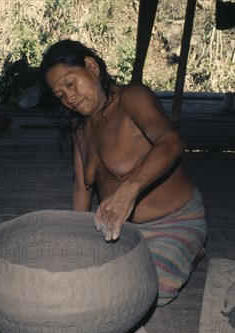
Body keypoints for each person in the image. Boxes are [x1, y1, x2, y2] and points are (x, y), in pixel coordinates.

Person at [39, 40, 207, 306]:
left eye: (70, 84)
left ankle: (190, 248)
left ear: (91, 67)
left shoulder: (133, 98)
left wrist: (129, 189)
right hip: (119, 227)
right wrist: (75, 234)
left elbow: (172, 141)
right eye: (60, 95)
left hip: (172, 221)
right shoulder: (80, 125)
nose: (69, 98)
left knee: (147, 292)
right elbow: (81, 184)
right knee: (75, 272)